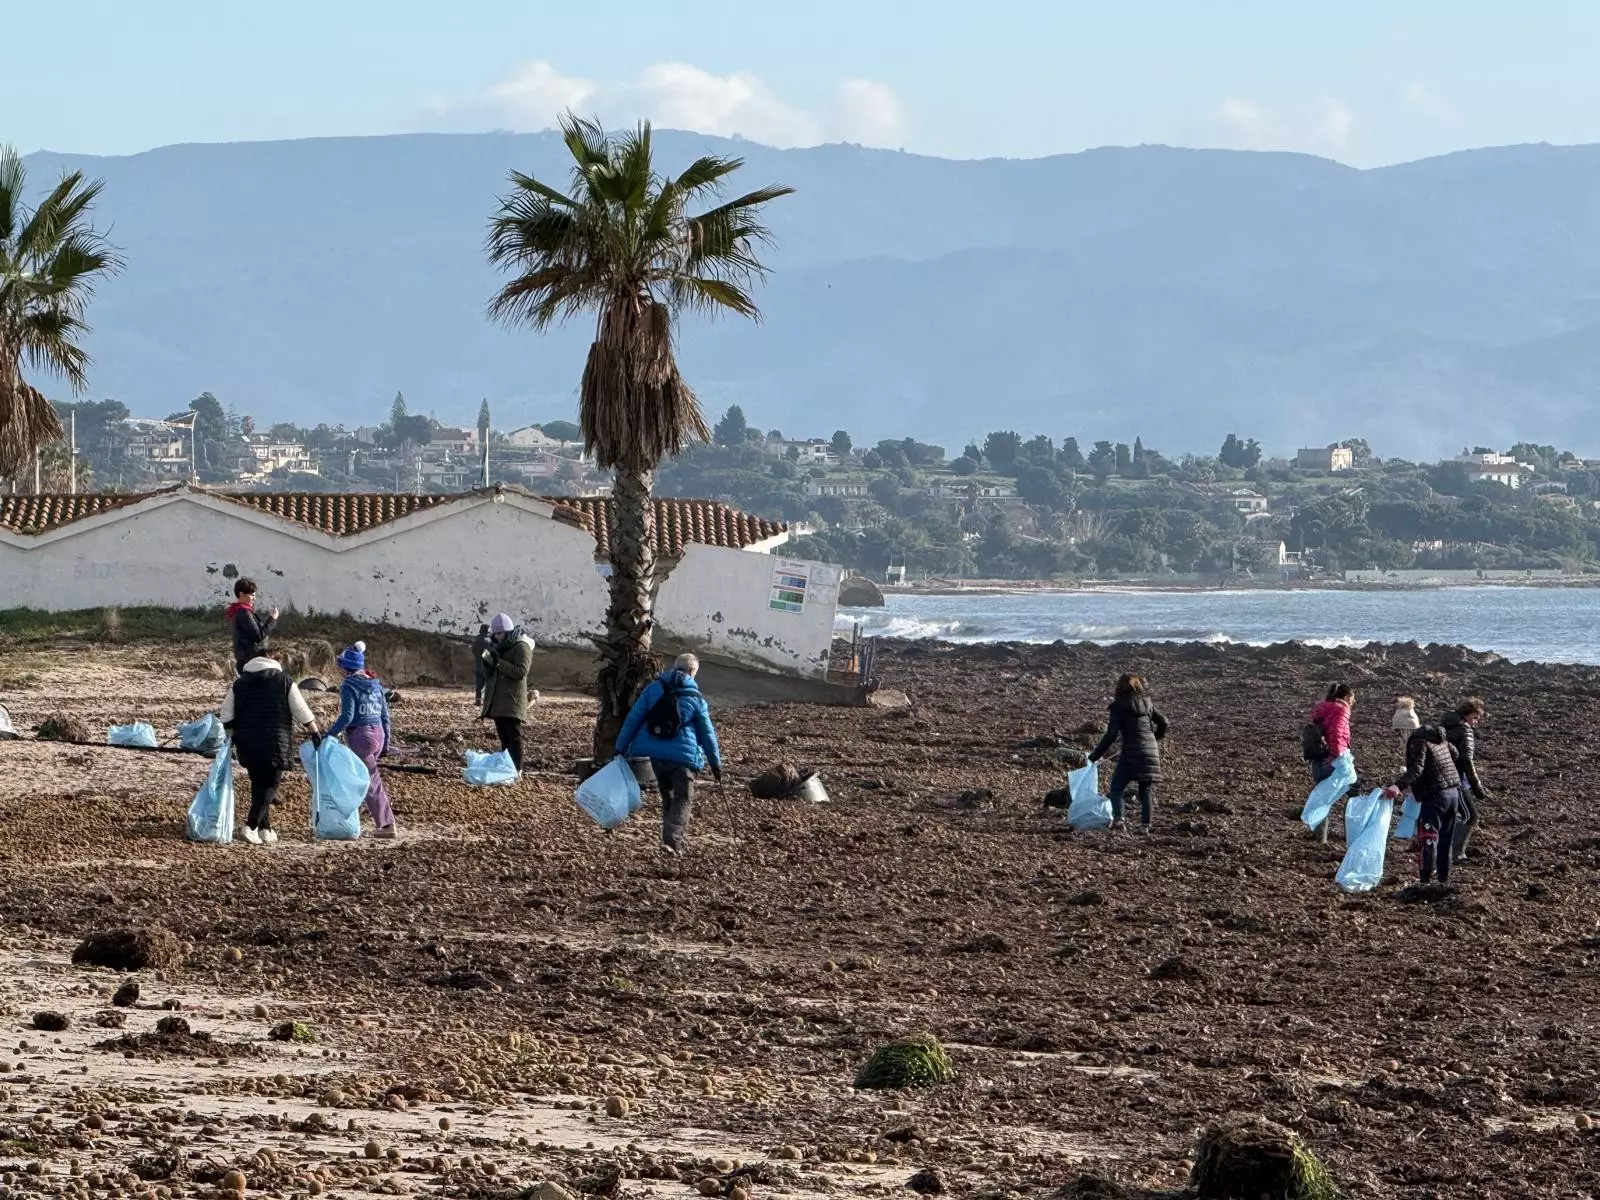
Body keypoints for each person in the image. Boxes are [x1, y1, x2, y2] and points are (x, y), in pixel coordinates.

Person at [616, 653, 723, 855]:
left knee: (668, 795)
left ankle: (669, 842)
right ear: (692, 671)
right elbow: (707, 733)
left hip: (655, 755)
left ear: (675, 668)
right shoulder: (695, 697)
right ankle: (673, 840)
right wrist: (715, 763)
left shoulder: (653, 688)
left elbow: (633, 718)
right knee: (684, 797)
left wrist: (619, 747)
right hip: (683, 757)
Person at [219, 652, 319, 845]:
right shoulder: (284, 681)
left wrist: (231, 734)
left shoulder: (239, 683)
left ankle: (265, 829)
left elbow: (226, 714)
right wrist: (314, 731)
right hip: (275, 740)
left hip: (246, 741)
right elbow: (300, 709)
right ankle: (251, 826)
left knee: (258, 784)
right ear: (274, 661)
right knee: (271, 784)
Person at [326, 641, 397, 838]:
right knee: (362, 777)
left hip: (361, 736)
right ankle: (352, 817)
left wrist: (329, 735)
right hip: (379, 734)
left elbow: (347, 717)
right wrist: (386, 745)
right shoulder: (376, 684)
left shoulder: (348, 686)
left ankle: (386, 824)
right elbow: (385, 716)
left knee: (370, 782)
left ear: (345, 667)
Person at [1384, 722, 1463, 886]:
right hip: (1453, 793)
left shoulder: (1418, 741)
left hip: (1435, 797)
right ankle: (1443, 881)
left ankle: (1425, 882)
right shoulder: (1440, 738)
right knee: (1445, 839)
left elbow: (1416, 769)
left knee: (1428, 838)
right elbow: (1455, 754)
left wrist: (1397, 786)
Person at [1087, 673, 1168, 834]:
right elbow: (1164, 722)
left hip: (1130, 751)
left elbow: (1111, 734)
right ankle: (1145, 826)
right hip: (1150, 751)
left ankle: (1119, 820)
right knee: (1145, 789)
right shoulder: (1147, 703)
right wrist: (1155, 738)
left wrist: (1095, 755)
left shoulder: (1118, 706)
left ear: (1119, 687)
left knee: (1117, 787)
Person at [479, 612, 535, 774]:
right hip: (497, 700)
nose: (497, 637)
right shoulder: (496, 646)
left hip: (512, 700)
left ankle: (517, 769)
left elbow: (521, 672)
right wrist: (487, 662)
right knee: (503, 736)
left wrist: (498, 663)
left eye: (500, 633)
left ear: (508, 632)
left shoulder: (521, 646)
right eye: (495, 634)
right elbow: (489, 675)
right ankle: (506, 767)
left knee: (513, 736)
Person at [1437, 697, 1491, 862]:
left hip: (1440, 777)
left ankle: (1447, 849)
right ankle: (1455, 852)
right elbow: (1466, 760)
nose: (1476, 722)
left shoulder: (1444, 726)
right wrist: (1477, 786)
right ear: (1468, 714)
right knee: (1470, 816)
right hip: (1455, 780)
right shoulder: (1464, 730)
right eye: (1475, 717)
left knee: (1452, 816)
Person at [1305, 683, 1355, 844]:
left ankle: (1320, 837)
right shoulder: (1342, 709)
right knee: (1355, 792)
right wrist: (1336, 755)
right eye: (1352, 698)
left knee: (1322, 796)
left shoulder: (1322, 708)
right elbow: (1336, 732)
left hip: (1318, 759)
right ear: (1346, 697)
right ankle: (1353, 834)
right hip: (1333, 759)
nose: (1353, 702)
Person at [225, 578, 278, 674]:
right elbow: (259, 636)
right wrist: (272, 619)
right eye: (252, 595)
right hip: (251, 662)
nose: (254, 598)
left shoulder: (240, 610)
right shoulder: (243, 612)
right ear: (241, 594)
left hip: (248, 660)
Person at [471, 624, 492, 707]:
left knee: (479, 684)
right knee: (488, 684)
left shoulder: (476, 640)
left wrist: (478, 657)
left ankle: (478, 700)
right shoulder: (489, 641)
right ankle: (487, 701)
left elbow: (473, 650)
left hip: (478, 665)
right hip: (487, 666)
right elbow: (489, 654)